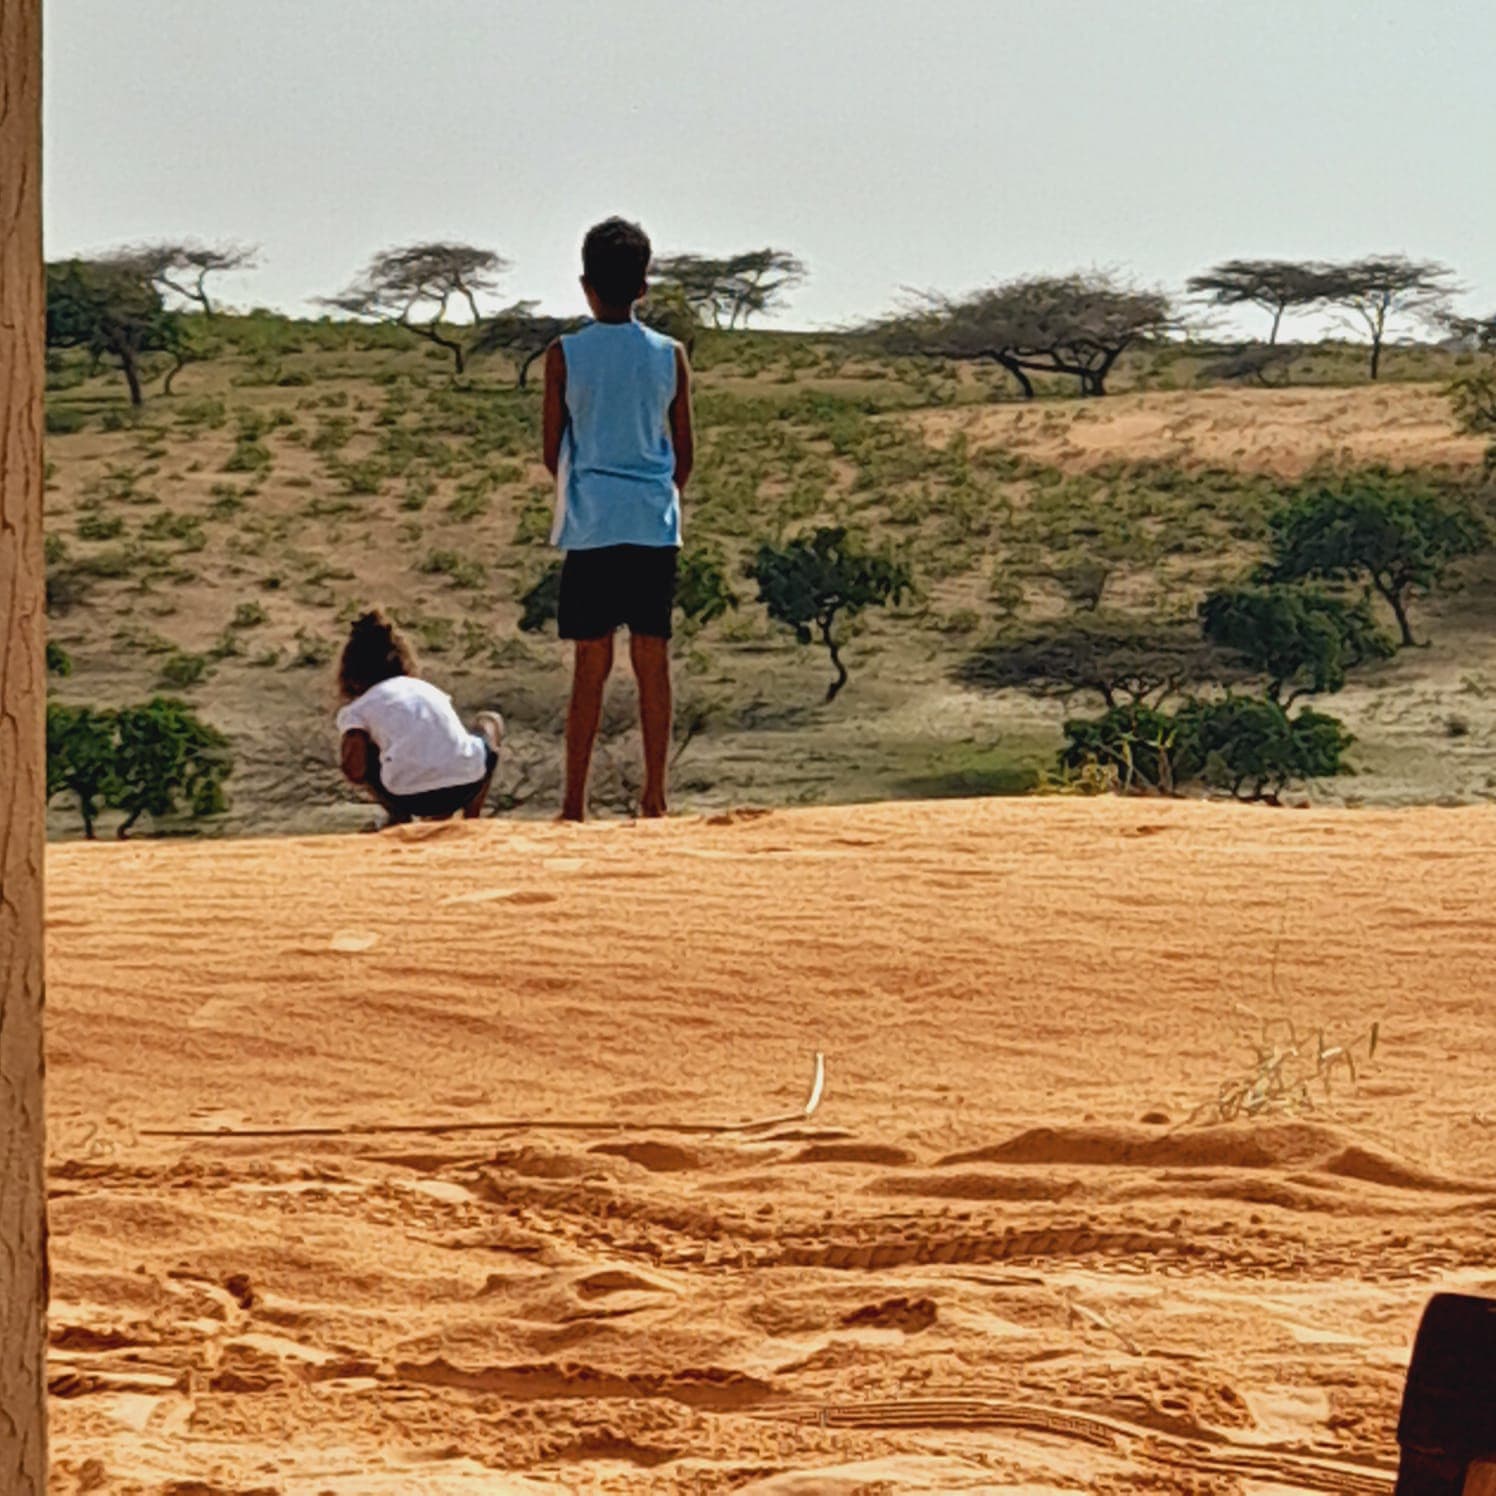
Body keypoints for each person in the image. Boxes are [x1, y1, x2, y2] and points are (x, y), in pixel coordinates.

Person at [542, 216, 694, 821]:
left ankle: (573, 803)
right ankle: (655, 796)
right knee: (652, 660)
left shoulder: (564, 355)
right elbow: (684, 454)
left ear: (586, 286)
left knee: (591, 664)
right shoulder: (671, 355)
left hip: (593, 523)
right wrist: (654, 495)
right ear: (644, 286)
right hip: (653, 523)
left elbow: (550, 450)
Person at [335, 609, 503, 826]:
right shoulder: (426, 689)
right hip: (468, 784)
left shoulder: (359, 708)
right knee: (490, 720)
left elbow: (355, 769)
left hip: (408, 797)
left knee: (363, 746)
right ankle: (471, 817)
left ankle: (397, 817)